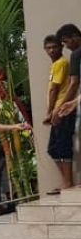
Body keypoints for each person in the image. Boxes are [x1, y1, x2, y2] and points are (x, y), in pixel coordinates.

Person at [44, 32, 76, 193]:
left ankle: (68, 182)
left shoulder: (61, 63)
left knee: (63, 145)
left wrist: (50, 112)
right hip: (58, 111)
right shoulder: (55, 64)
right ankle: (65, 181)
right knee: (53, 148)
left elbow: (54, 90)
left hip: (62, 110)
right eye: (48, 48)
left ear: (61, 47)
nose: (51, 50)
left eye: (54, 47)